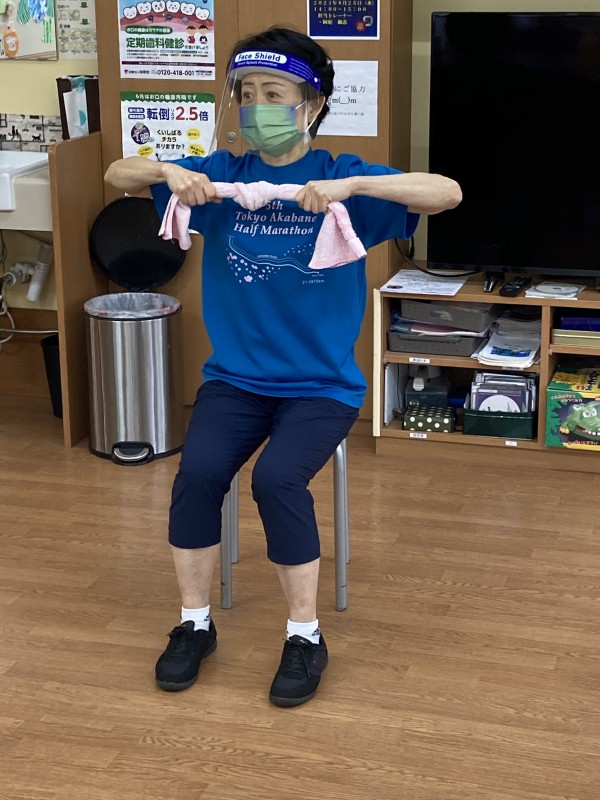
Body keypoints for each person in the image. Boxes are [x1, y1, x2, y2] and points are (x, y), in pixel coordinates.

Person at [104, 26, 461, 707]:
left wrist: (351, 184)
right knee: (197, 475)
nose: (258, 107)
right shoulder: (220, 177)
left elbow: (446, 192)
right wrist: (167, 172)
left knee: (275, 480)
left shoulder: (344, 180)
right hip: (235, 381)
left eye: (275, 94)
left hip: (321, 387)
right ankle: (194, 623)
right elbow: (117, 174)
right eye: (247, 94)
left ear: (312, 104)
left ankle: (305, 636)